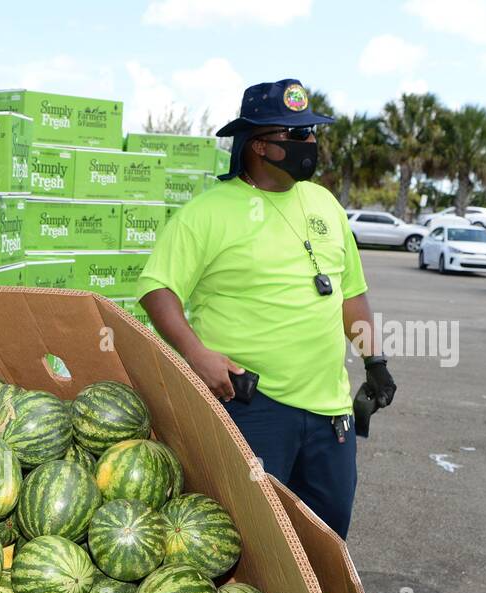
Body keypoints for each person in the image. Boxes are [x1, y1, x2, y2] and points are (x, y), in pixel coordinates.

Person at [139, 79, 395, 539]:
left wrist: (374, 360)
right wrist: (196, 355)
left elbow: (350, 293)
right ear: (258, 145)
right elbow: (158, 289)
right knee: (251, 543)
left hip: (330, 412)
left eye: (313, 132)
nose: (310, 144)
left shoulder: (325, 204)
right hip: (250, 407)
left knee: (326, 539)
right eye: (296, 136)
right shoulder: (208, 212)